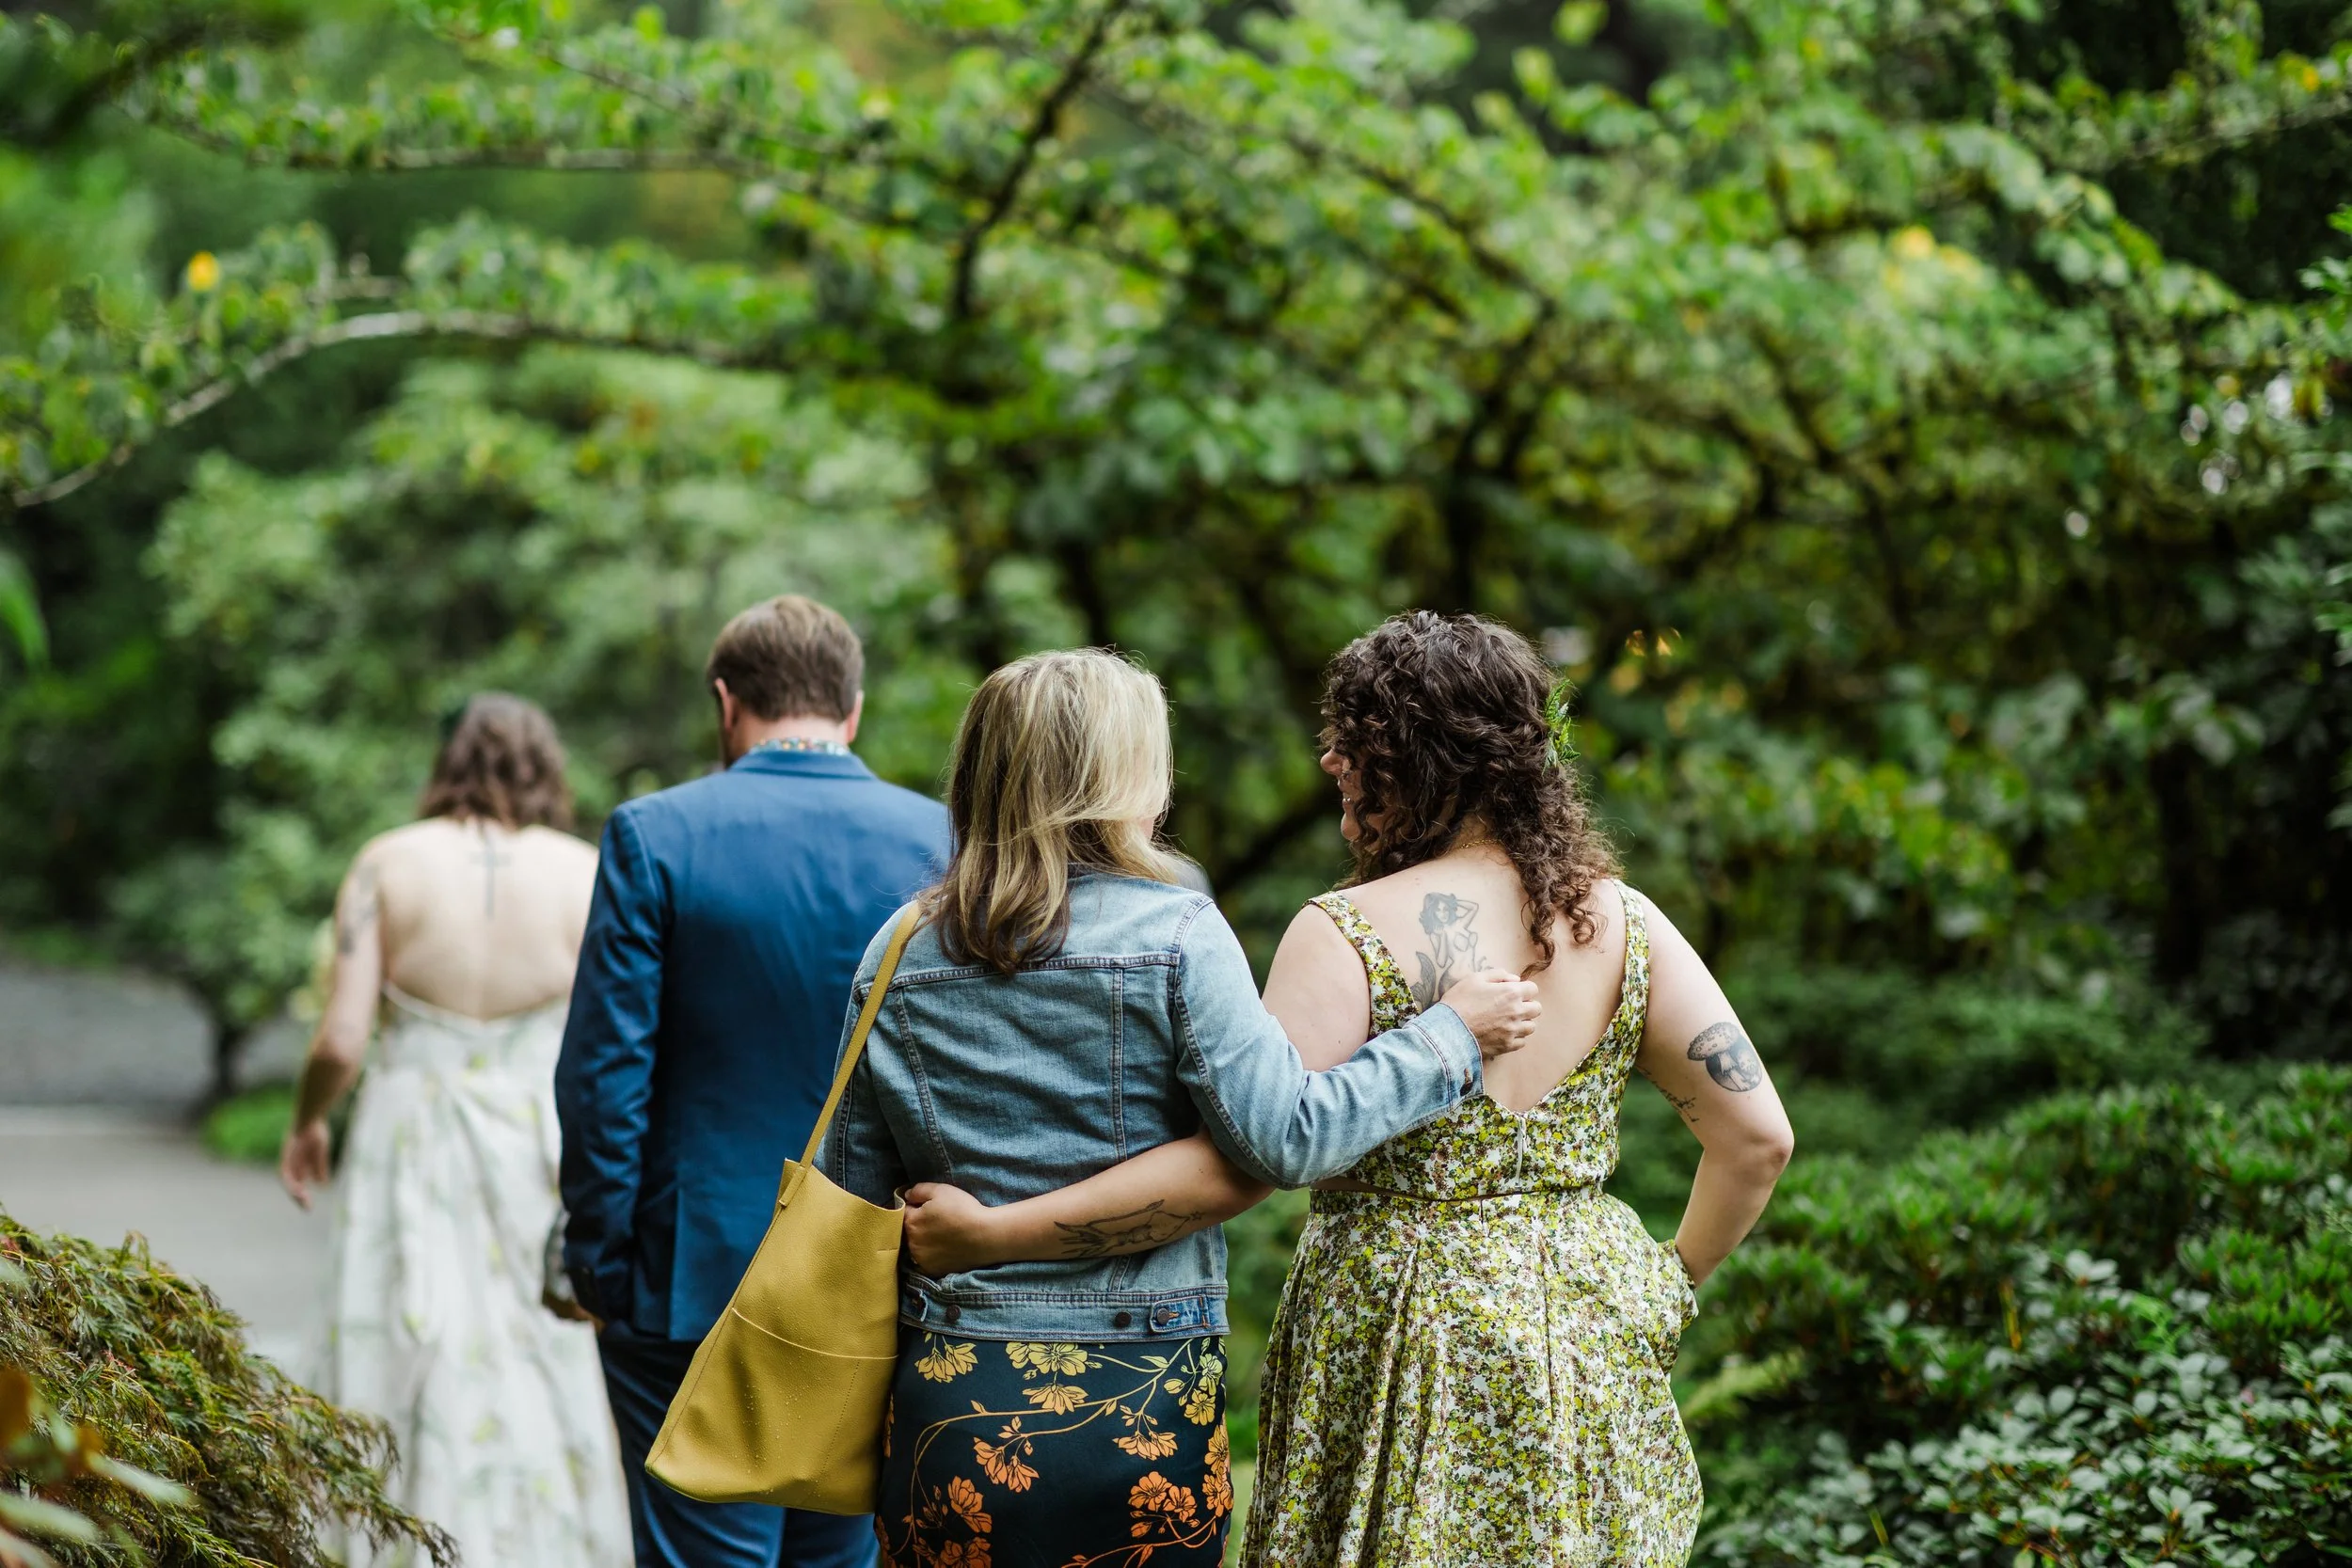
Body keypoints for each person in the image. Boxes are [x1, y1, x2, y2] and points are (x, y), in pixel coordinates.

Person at [900, 612, 1798, 1567]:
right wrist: (1663, 1286)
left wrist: (1000, 1230)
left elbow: (1254, 1154)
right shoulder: (1625, 921)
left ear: (1421, 762)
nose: (1331, 760)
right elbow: (1757, 1138)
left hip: (1390, 1336)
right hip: (1589, 1325)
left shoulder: (1341, 930)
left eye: (1356, 742)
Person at [818, 648, 1544, 1568]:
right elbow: (1287, 1136)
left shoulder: (899, 950)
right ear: (1126, 776)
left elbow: (851, 1193)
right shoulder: (1178, 933)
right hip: (1142, 1401)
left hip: (953, 1400)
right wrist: (1449, 1036)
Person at [557, 594, 950, 1568]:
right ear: (852, 709)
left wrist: (600, 1259)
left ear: (727, 702)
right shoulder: (944, 840)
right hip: (878, 1264)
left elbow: (606, 1074)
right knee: (842, 1552)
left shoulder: (654, 834)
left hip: (689, 1270)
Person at [279, 692, 631, 1568]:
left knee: (402, 1333)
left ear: (448, 763)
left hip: (410, 1138)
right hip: (532, 1140)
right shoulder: (586, 871)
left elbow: (341, 1039)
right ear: (546, 768)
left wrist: (308, 1120)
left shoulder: (386, 864)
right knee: (534, 1348)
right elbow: (612, 1042)